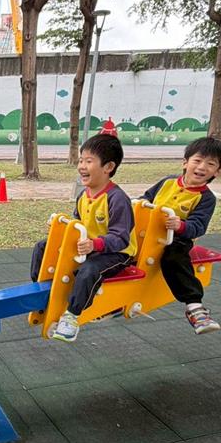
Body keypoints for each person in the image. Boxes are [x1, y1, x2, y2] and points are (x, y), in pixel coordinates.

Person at [30, 134, 137, 342]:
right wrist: (61, 230)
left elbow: (121, 238)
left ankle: (72, 316)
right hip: (89, 246)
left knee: (90, 269)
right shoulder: (84, 195)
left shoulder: (117, 199)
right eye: (81, 160)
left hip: (117, 253)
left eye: (89, 161)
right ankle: (42, 289)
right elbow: (78, 223)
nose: (81, 166)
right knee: (43, 246)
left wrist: (94, 244)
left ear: (108, 167)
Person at [141, 136, 221, 335]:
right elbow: (145, 199)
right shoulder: (167, 182)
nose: (202, 167)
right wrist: (139, 204)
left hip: (176, 239)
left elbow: (198, 226)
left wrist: (180, 226)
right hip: (147, 232)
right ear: (185, 162)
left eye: (211, 164)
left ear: (217, 172)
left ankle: (195, 307)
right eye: (197, 160)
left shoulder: (205, 198)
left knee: (174, 257)